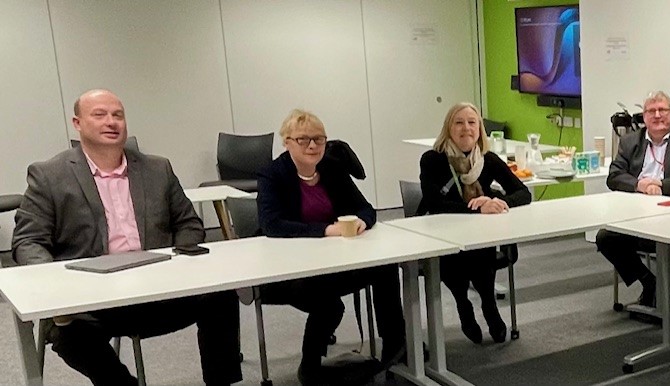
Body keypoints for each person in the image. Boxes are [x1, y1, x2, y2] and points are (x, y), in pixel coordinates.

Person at [12, 89, 242, 386]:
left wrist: (179, 261)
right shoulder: (49, 175)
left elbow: (189, 224)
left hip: (159, 288)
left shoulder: (157, 169)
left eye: (117, 115)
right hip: (92, 299)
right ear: (77, 123)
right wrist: (60, 284)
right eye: (100, 115)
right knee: (69, 334)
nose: (111, 122)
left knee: (220, 296)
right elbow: (28, 242)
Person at [256, 109, 407, 384]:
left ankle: (395, 348)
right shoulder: (272, 174)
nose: (312, 146)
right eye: (303, 140)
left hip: (334, 261)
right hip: (290, 270)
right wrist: (326, 230)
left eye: (319, 139)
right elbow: (272, 225)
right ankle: (309, 366)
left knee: (385, 268)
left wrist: (361, 220)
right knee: (329, 304)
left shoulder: (332, 168)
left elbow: (366, 208)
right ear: (286, 142)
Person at [417, 102, 531, 344]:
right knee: (457, 259)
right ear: (448, 128)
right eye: (459, 123)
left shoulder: (487, 159)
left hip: (480, 237)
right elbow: (435, 203)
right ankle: (463, 305)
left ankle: (489, 306)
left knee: (481, 254)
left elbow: (523, 193)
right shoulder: (432, 160)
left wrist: (496, 201)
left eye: (472, 123)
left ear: (479, 129)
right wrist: (479, 209)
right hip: (443, 233)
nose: (466, 128)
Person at [596, 91, 670, 308]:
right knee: (605, 238)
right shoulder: (630, 142)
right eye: (651, 111)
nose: (657, 115)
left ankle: (666, 295)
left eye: (662, 110)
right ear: (644, 117)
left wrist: (660, 185)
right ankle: (649, 282)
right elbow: (614, 177)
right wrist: (639, 185)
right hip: (638, 216)